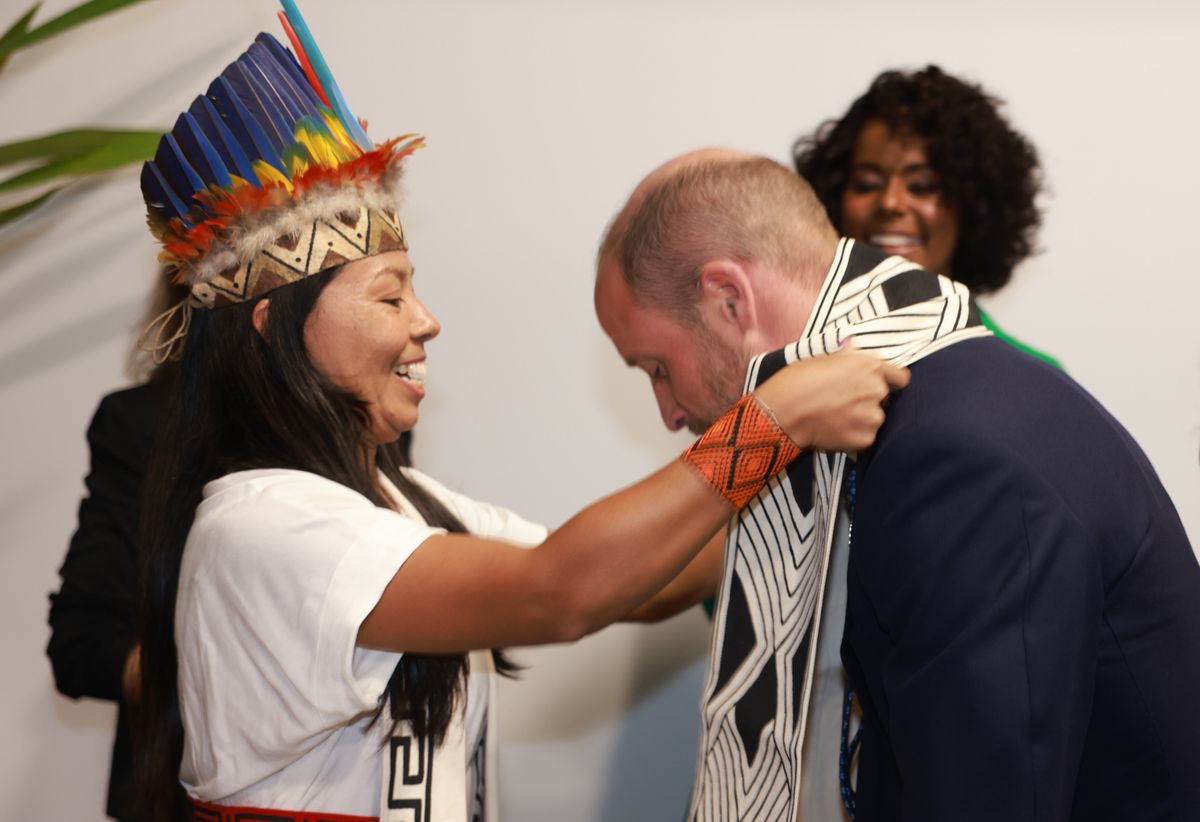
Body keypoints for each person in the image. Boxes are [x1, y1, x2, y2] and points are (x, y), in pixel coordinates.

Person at [132, 6, 907, 821]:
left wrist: (808, 463)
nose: (425, 321)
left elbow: (638, 582)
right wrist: (771, 421)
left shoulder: (400, 510)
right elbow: (559, 594)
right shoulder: (259, 527)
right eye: (391, 295)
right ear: (273, 326)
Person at [594, 149, 1200, 821]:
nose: (668, 412)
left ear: (728, 298)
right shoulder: (925, 391)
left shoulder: (951, 457)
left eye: (655, 367)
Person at [794, 65, 1060, 367]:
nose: (890, 203)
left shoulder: (1030, 378)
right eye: (867, 184)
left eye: (921, 187)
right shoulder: (780, 356)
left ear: (973, 205)